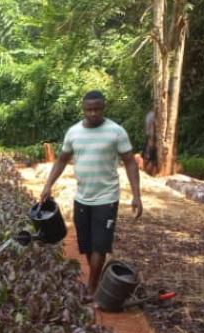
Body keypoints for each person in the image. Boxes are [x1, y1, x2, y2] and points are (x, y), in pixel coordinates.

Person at [39, 90, 142, 301]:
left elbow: (130, 162)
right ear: (83, 109)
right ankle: (95, 278)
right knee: (86, 244)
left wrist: (136, 195)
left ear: (104, 108)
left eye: (97, 109)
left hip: (107, 198)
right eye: (89, 109)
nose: (93, 113)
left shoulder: (116, 132)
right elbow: (61, 160)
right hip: (82, 198)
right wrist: (48, 185)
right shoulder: (73, 132)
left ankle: (92, 287)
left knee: (100, 245)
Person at [142, 109, 158, 174]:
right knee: (149, 155)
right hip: (152, 137)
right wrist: (152, 138)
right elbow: (151, 127)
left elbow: (148, 127)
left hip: (150, 136)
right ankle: (148, 170)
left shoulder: (150, 114)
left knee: (148, 155)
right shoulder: (152, 115)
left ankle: (147, 169)